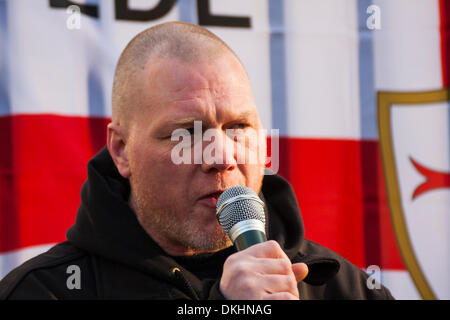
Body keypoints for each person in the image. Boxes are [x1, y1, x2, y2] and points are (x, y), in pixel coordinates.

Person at [0, 22, 393, 300]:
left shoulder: (344, 288)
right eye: (185, 133)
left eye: (238, 126)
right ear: (121, 150)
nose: (220, 156)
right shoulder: (44, 291)